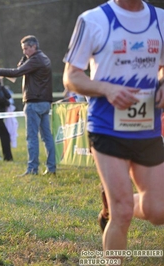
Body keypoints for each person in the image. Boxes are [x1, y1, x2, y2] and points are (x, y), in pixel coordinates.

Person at [62, 0, 164, 261]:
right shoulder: (93, 19)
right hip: (106, 126)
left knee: (158, 211)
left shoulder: (161, 19)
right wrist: (107, 89)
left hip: (147, 128)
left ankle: (118, 199)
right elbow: (72, 76)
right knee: (122, 213)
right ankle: (118, 204)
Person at [0, 35, 56, 176]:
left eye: (26, 48)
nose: (24, 52)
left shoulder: (35, 60)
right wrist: (25, 58)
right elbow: (20, 69)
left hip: (34, 102)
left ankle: (32, 169)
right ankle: (51, 168)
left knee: (32, 137)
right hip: (45, 102)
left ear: (34, 47)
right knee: (47, 136)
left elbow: (17, 72)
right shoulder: (43, 58)